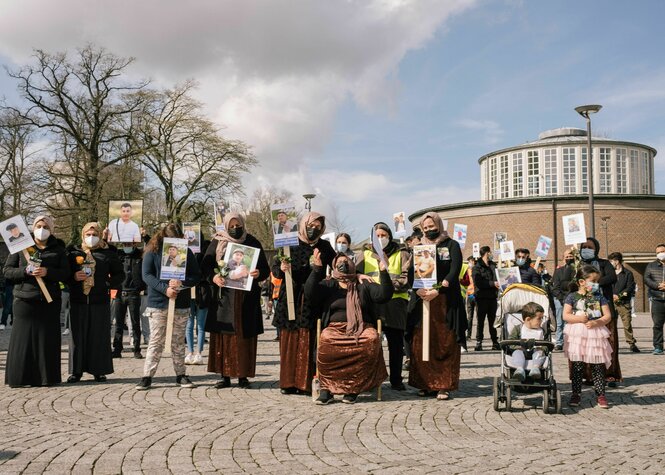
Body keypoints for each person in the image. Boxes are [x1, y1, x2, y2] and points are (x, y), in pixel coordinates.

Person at [307, 250, 393, 404]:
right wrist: (316, 269)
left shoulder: (363, 283)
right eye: (339, 262)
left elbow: (384, 295)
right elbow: (309, 293)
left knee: (371, 338)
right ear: (334, 266)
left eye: (346, 261)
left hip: (361, 327)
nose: (343, 264)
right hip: (334, 328)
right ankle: (327, 389)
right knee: (326, 340)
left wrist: (383, 270)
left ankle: (353, 388)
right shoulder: (329, 284)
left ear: (353, 264)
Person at [202, 214, 269, 388]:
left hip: (246, 300)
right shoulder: (218, 242)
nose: (235, 227)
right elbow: (206, 266)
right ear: (226, 225)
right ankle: (224, 375)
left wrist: (258, 273)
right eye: (232, 225)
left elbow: (265, 269)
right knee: (225, 336)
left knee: (243, 337)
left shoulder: (252, 242)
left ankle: (243, 376)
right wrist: (214, 277)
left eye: (238, 224)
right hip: (224, 299)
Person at [272, 212, 336, 395]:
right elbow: (275, 268)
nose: (313, 228)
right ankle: (288, 382)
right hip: (290, 297)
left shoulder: (324, 246)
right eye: (311, 225)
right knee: (290, 340)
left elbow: (337, 263)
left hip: (312, 298)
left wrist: (356, 273)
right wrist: (281, 268)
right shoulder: (289, 243)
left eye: (317, 226)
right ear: (303, 224)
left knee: (309, 340)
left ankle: (305, 382)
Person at [407, 212, 467, 400]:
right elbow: (411, 273)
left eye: (432, 227)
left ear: (439, 225)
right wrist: (417, 289)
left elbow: (454, 270)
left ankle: (443, 384)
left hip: (445, 301)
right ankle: (424, 383)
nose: (429, 230)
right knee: (422, 343)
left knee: (444, 342)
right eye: (425, 228)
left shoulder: (451, 245)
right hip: (422, 300)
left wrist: (438, 289)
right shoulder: (419, 247)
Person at [3, 216, 70, 387]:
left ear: (51, 229)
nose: (42, 228)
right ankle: (19, 378)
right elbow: (7, 272)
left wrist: (48, 272)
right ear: (33, 228)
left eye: (45, 226)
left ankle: (47, 378)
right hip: (24, 301)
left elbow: (66, 274)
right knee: (22, 341)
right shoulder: (21, 247)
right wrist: (25, 271)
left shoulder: (59, 250)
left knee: (47, 341)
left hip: (49, 301)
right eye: (39, 225)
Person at [135, 223, 201, 390]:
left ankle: (181, 375)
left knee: (178, 341)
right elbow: (146, 275)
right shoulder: (152, 252)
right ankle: (147, 376)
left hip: (181, 303)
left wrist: (182, 283)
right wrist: (165, 289)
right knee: (156, 340)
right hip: (158, 303)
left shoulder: (186, 253)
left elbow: (196, 275)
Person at [356, 222, 411, 391]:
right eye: (377, 236)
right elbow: (355, 274)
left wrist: (387, 284)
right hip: (372, 304)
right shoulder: (364, 254)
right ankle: (370, 377)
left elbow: (406, 278)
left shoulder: (401, 253)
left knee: (395, 344)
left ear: (389, 236)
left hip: (395, 303)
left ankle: (396, 379)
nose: (380, 239)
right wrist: (359, 275)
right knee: (370, 342)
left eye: (383, 235)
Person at [67, 222, 123, 383]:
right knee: (78, 336)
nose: (91, 238)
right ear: (83, 235)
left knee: (98, 336)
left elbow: (120, 275)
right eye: (88, 235)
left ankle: (99, 370)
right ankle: (75, 371)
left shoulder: (108, 254)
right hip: (78, 300)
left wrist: (108, 283)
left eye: (95, 235)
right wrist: (73, 277)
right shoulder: (73, 253)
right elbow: (64, 274)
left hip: (99, 300)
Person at [563, 265, 613, 409]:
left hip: (595, 333)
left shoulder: (599, 297)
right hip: (577, 333)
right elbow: (565, 315)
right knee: (577, 365)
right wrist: (579, 319)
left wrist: (597, 322)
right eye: (593, 281)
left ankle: (600, 393)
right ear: (581, 282)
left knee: (597, 364)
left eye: (597, 281)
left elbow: (607, 315)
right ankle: (576, 393)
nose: (596, 284)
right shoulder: (572, 296)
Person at [579, 237, 621, 385]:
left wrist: (595, 283)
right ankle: (590, 375)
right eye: (584, 246)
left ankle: (610, 374)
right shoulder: (579, 265)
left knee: (608, 343)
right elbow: (570, 282)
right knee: (589, 345)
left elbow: (612, 277)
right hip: (586, 311)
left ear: (596, 249)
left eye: (590, 247)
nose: (587, 249)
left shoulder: (604, 263)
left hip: (604, 310)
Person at [111, 241, 147, 359]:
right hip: (120, 293)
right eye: (125, 244)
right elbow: (109, 250)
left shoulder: (140, 256)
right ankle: (117, 348)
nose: (127, 246)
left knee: (135, 322)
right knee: (119, 323)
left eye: (129, 244)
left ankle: (136, 349)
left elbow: (150, 248)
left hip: (134, 293)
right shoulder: (118, 255)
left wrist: (144, 236)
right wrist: (107, 237)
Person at [505, 302, 547, 381]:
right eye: (539, 318)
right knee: (517, 353)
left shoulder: (542, 331)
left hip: (536, 351)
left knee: (540, 353)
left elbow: (546, 344)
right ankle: (520, 370)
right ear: (528, 319)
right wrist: (518, 347)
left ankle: (535, 369)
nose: (541, 321)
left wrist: (542, 348)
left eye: (542, 318)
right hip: (521, 351)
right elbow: (511, 342)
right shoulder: (518, 329)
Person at [186, 237, 212, 365]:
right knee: (189, 324)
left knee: (200, 325)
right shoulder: (184, 253)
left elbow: (207, 272)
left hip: (202, 292)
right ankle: (190, 352)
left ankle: (199, 353)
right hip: (189, 291)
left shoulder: (205, 253)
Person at [608, 252, 639, 353]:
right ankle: (611, 343)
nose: (610, 263)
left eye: (611, 261)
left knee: (627, 324)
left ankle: (631, 343)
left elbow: (630, 287)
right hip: (611, 302)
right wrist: (611, 295)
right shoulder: (609, 273)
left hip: (623, 303)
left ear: (617, 261)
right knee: (611, 324)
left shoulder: (627, 273)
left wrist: (619, 295)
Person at [472, 246, 500, 351]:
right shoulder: (477, 267)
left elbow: (497, 277)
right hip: (481, 298)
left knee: (493, 321)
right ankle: (479, 342)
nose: (491, 253)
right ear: (486, 253)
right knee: (480, 321)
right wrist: (493, 283)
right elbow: (478, 282)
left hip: (492, 297)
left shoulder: (493, 265)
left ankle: (495, 341)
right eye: (490, 252)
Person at [551, 249, 575, 351]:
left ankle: (569, 341)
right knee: (560, 322)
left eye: (571, 256)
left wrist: (569, 298)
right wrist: (561, 298)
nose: (569, 258)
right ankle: (559, 342)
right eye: (567, 256)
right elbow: (555, 286)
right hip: (559, 298)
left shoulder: (576, 270)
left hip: (572, 298)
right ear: (563, 258)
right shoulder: (558, 271)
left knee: (569, 322)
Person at [644, 244, 665, 355]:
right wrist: (657, 286)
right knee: (657, 324)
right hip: (657, 299)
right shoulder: (651, 265)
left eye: (662, 251)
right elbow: (646, 279)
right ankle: (658, 346)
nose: (660, 254)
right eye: (658, 252)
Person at [463, 256, 476, 345]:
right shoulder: (467, 271)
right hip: (470, 295)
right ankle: (469, 335)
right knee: (470, 316)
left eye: (472, 261)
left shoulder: (478, 270)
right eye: (469, 261)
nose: (471, 263)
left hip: (478, 295)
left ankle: (479, 335)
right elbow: (466, 282)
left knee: (478, 317)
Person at [0, 241, 12, 330]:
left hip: (16, 282)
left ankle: (12, 321)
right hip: (9, 282)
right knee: (8, 303)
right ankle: (3, 322)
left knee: (14, 304)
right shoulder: (7, 255)